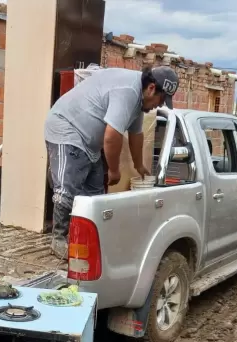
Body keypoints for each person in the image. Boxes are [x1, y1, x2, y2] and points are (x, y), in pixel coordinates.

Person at [43, 66, 179, 258]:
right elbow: (111, 136)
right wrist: (114, 170)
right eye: (161, 100)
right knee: (67, 189)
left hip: (88, 142)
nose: (159, 105)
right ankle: (58, 239)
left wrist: (139, 165)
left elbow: (136, 134)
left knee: (95, 194)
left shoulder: (138, 100)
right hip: (66, 129)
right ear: (151, 88)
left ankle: (86, 239)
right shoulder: (128, 91)